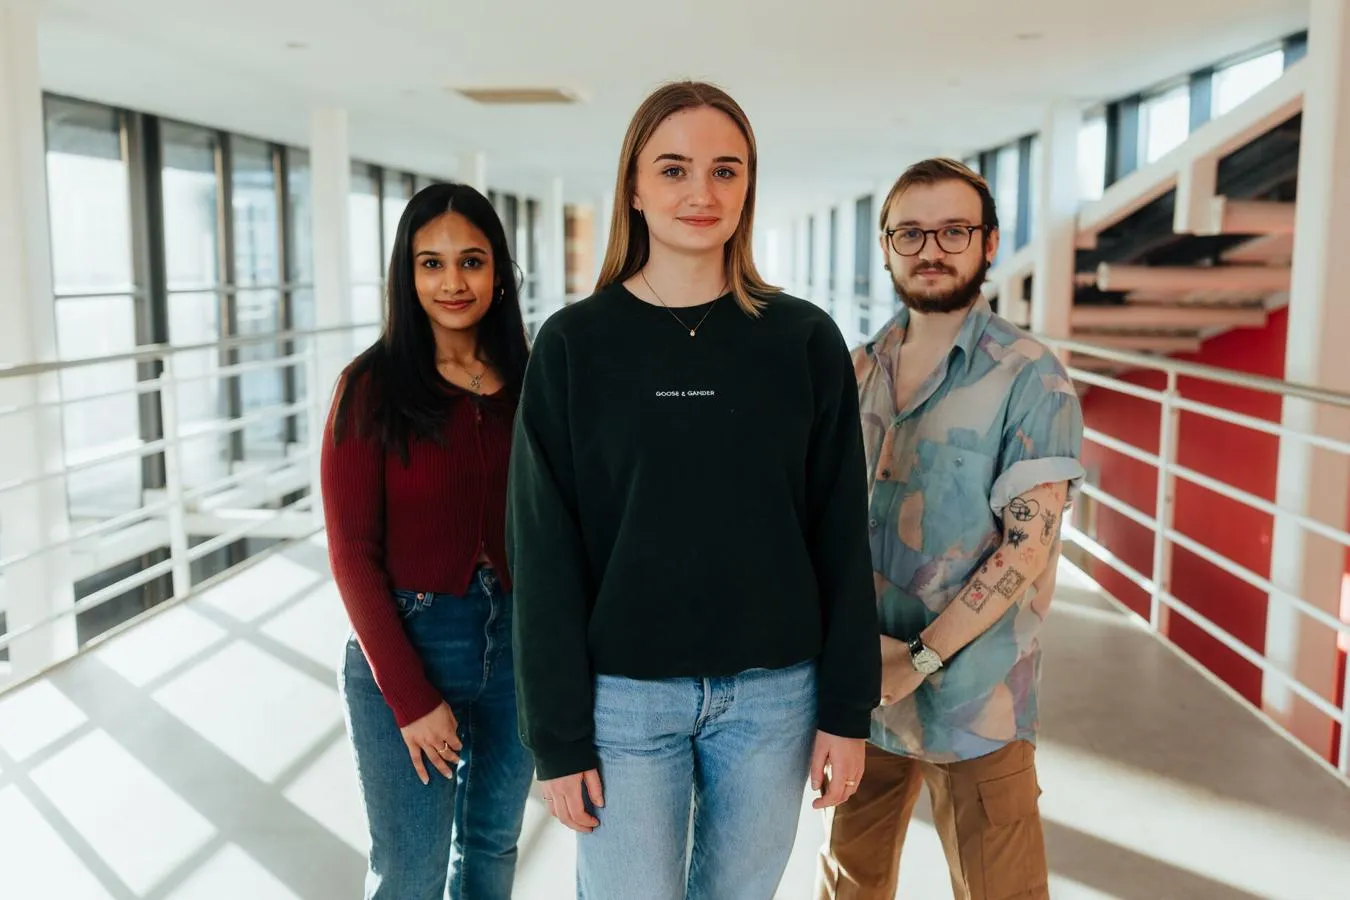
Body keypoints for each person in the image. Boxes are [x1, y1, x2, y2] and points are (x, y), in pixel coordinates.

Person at [506, 80, 881, 900]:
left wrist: (847, 710)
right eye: (673, 170)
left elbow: (841, 536)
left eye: (725, 170)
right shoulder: (573, 347)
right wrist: (557, 738)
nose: (700, 194)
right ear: (634, 188)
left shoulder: (804, 340)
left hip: (777, 698)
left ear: (749, 187)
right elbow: (543, 556)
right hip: (624, 701)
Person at [816, 158, 1085, 900]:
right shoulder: (855, 370)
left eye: (953, 230)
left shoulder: (1032, 376)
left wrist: (920, 660)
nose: (930, 248)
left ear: (989, 243)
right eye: (910, 232)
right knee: (848, 885)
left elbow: (1028, 547)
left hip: (977, 699)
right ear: (886, 246)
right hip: (865, 696)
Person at [321, 182, 533, 900]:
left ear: (498, 272)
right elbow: (351, 555)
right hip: (409, 643)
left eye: (471, 261)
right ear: (406, 276)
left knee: (491, 852)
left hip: (515, 649)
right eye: (430, 263)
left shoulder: (529, 383)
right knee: (409, 874)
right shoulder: (369, 387)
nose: (452, 282)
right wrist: (409, 697)